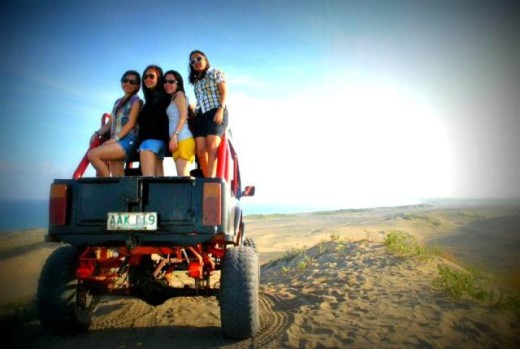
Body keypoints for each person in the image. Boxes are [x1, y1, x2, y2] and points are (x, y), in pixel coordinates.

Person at [87, 70, 142, 177]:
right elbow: (109, 124)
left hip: (127, 141)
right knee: (118, 177)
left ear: (137, 86)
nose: (128, 84)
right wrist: (97, 133)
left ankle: (107, 184)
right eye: (125, 80)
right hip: (115, 142)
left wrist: (113, 140)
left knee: (93, 155)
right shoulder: (117, 102)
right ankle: (118, 190)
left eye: (132, 82)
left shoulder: (136, 101)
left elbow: (131, 124)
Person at [188, 50, 228, 178]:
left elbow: (224, 92)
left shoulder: (215, 72)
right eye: (193, 61)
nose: (196, 62)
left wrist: (220, 109)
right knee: (200, 151)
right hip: (201, 116)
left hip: (215, 111)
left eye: (199, 58)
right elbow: (199, 100)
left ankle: (211, 182)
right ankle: (208, 179)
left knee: (212, 147)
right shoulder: (196, 82)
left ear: (205, 59)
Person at [137, 65, 170, 176]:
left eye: (151, 76)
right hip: (151, 141)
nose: (148, 79)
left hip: (154, 141)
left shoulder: (166, 96)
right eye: (145, 77)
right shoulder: (147, 101)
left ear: (159, 78)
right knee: (158, 179)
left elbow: (182, 104)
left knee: (148, 179)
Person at [163, 70, 195, 176]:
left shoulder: (179, 95)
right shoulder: (173, 98)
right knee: (181, 176)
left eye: (171, 81)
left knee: (183, 177)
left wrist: (175, 135)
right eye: (165, 81)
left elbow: (183, 115)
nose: (167, 84)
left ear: (178, 83)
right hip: (178, 141)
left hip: (183, 139)